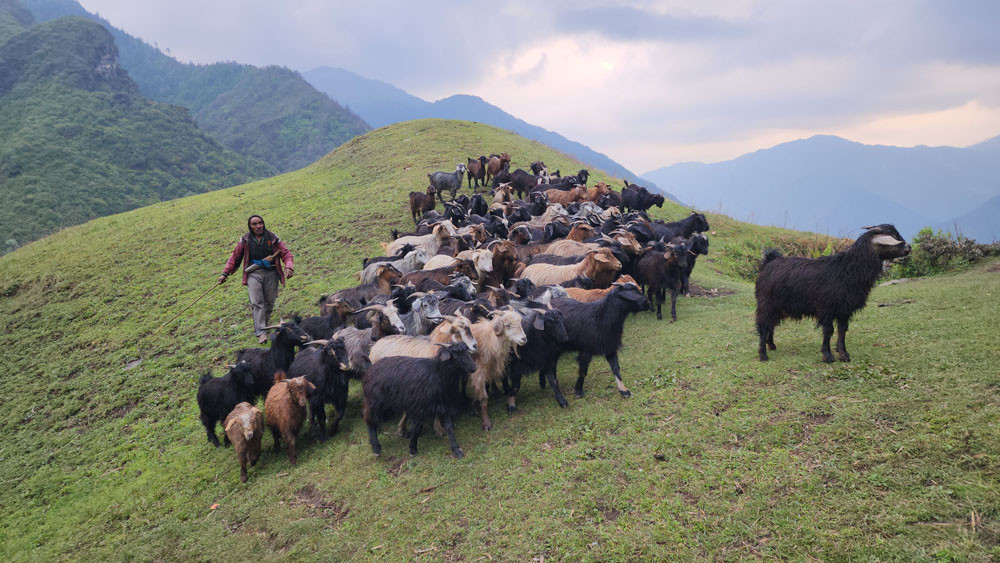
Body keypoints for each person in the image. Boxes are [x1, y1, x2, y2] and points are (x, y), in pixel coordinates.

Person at [219, 215, 294, 343]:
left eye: (260, 223)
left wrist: (289, 266)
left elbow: (286, 253)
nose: (258, 226)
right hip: (253, 273)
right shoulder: (245, 240)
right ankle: (261, 332)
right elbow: (235, 257)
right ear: (250, 226)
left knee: (269, 303)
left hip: (271, 272)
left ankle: (264, 324)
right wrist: (225, 273)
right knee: (257, 302)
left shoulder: (272, 237)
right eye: (254, 224)